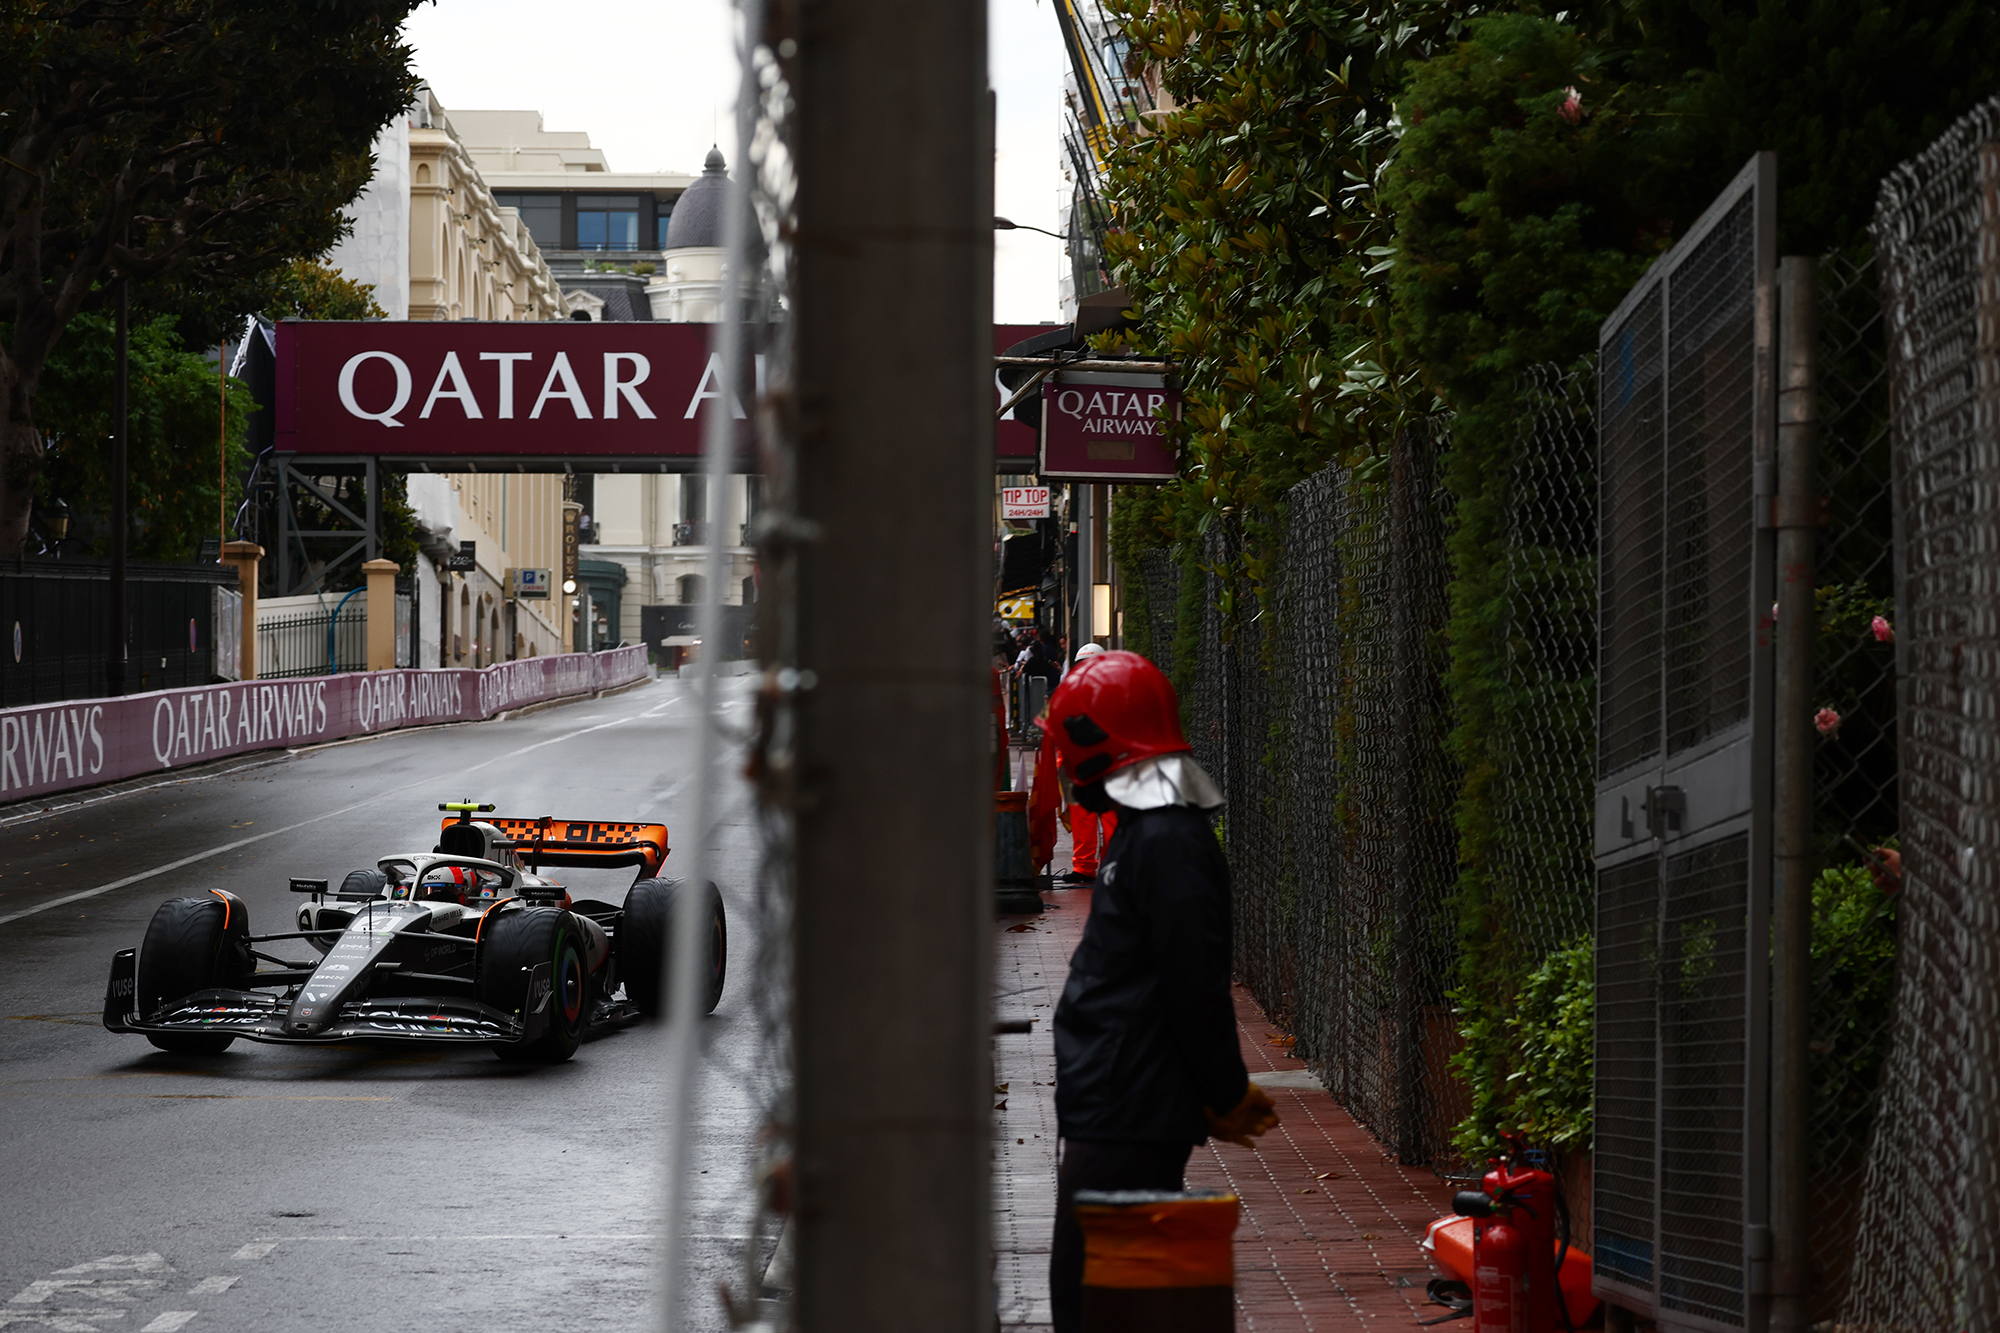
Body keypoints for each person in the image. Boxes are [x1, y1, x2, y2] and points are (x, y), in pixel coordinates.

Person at [1044, 650, 1278, 1333]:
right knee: (1093, 1293)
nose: (1063, 766)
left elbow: (1193, 984)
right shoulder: (1149, 833)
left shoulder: (1165, 840)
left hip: (1127, 1105)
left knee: (1099, 1301)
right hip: (1120, 1101)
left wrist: (1226, 1089)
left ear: (1100, 743)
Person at [1058, 643, 1114, 884]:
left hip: (1103, 764)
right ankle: (1085, 867)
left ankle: (1107, 866)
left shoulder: (1109, 692)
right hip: (1084, 764)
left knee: (1109, 819)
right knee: (1086, 821)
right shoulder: (1073, 692)